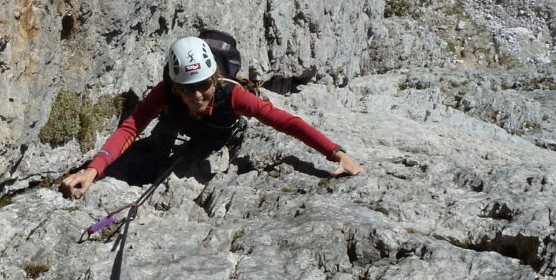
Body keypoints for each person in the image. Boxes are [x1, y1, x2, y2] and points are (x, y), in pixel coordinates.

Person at [60, 36, 362, 199]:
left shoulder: (232, 95)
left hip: (219, 133)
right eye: (187, 89)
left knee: (199, 139)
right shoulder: (165, 93)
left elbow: (285, 121)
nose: (197, 95)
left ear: (215, 79)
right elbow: (131, 127)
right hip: (180, 124)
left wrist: (336, 152)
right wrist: (92, 171)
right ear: (176, 86)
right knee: (156, 143)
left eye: (203, 85)